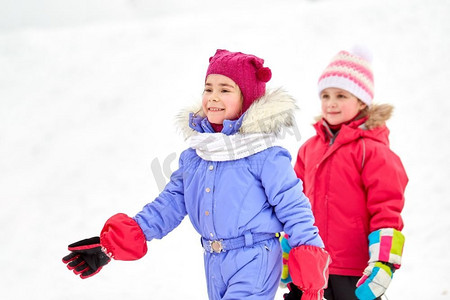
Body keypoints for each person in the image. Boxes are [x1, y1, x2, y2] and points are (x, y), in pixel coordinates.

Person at [62, 49, 330, 300]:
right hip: (214, 260)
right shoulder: (197, 156)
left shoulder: (265, 156)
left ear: (247, 99)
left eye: (225, 89)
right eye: (208, 88)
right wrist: (111, 246)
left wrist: (308, 279)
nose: (213, 96)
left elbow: (295, 210)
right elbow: (167, 206)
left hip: (255, 259)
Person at [281, 46, 408, 300]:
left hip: (354, 269)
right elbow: (294, 204)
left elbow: (386, 210)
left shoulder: (372, 151)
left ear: (362, 101)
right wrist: (287, 249)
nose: (331, 103)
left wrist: (383, 262)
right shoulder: (309, 149)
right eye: (325, 96)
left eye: (341, 95)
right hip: (312, 265)